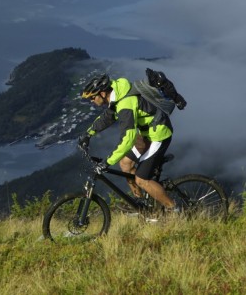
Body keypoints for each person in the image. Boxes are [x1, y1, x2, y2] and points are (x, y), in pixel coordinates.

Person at [77, 73, 180, 212]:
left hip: (159, 134)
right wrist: (88, 134)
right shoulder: (116, 94)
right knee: (125, 164)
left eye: (92, 97)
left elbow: (127, 139)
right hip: (146, 133)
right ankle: (140, 203)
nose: (91, 101)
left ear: (102, 93)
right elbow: (107, 117)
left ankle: (175, 210)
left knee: (141, 179)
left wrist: (107, 162)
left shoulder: (125, 104)